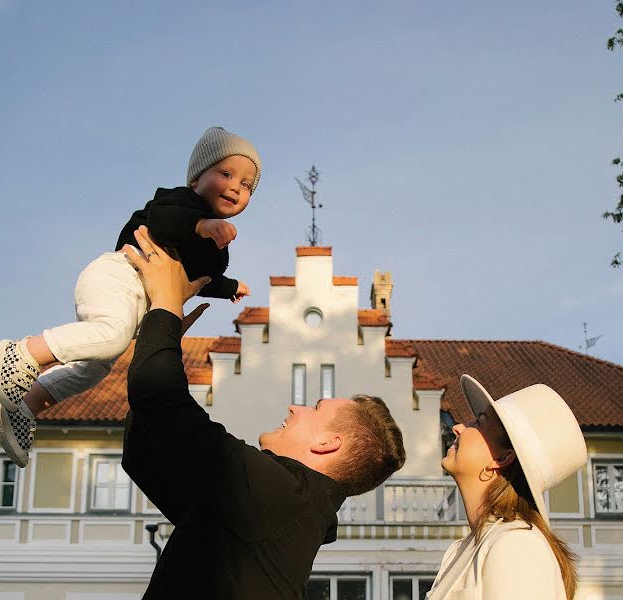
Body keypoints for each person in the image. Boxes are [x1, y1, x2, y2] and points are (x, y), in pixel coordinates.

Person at [119, 225, 407, 599]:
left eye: (316, 407)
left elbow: (162, 403)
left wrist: (165, 308)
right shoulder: (281, 510)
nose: (294, 406)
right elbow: (143, 453)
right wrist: (159, 334)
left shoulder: (285, 495)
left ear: (327, 442)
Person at [0, 126, 260, 467]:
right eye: (226, 174)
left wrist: (229, 287)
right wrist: (201, 226)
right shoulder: (178, 201)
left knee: (95, 367)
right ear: (196, 179)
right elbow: (164, 222)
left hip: (135, 306)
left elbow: (201, 280)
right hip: (119, 276)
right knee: (113, 336)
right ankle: (24, 351)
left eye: (247, 185)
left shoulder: (219, 251)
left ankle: (26, 406)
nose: (236, 186)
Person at [426, 375, 587, 600]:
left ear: (501, 458)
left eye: (478, 422)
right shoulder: (468, 548)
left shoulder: (518, 545)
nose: (458, 427)